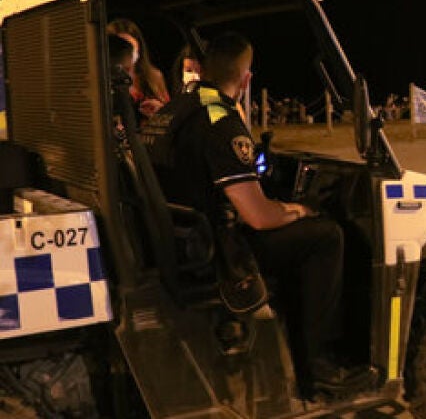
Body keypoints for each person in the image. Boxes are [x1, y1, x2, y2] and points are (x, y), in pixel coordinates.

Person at [142, 31, 374, 397]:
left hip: (180, 233)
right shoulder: (221, 120)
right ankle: (319, 367)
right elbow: (259, 217)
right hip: (217, 250)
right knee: (327, 236)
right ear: (246, 79)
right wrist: (297, 210)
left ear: (203, 70)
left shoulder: (174, 110)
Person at [108, 18, 170, 118]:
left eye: (132, 48)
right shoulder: (100, 80)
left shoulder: (153, 77)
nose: (128, 55)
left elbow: (170, 116)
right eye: (123, 49)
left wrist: (160, 111)